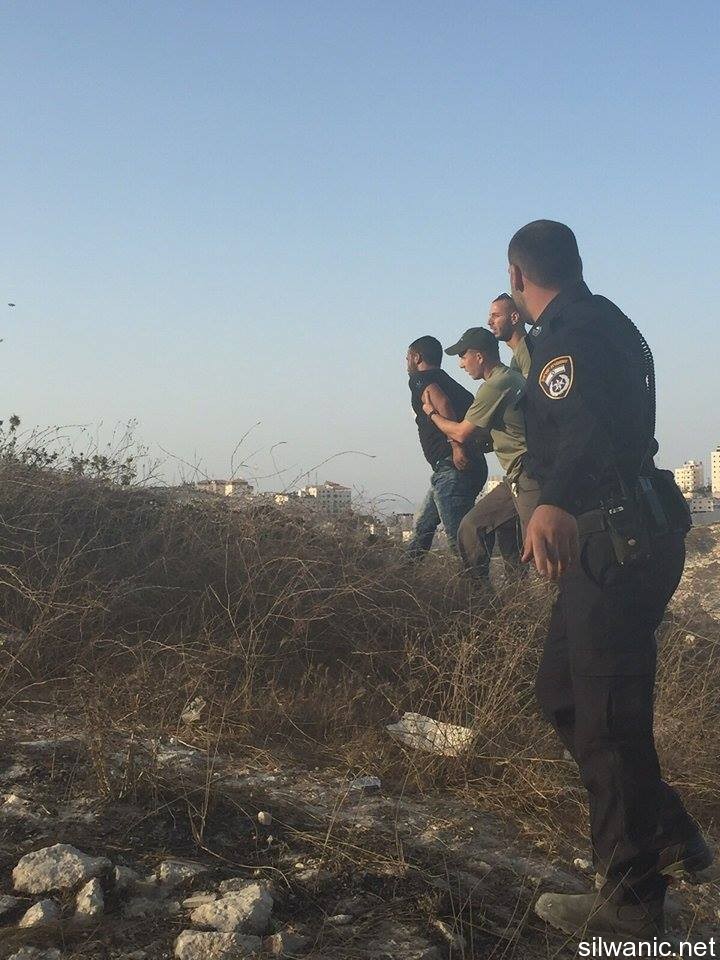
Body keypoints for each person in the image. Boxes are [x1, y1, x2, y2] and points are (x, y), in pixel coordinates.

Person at [507, 220, 714, 941]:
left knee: (606, 718)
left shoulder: (570, 337)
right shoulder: (605, 321)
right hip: (623, 534)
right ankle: (668, 834)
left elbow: (586, 425)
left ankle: (630, 903)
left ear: (517, 276)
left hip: (613, 540)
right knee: (564, 694)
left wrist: (556, 501)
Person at [421, 327, 541, 581]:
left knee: (541, 551)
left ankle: (552, 600)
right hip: (516, 478)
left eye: (463, 356)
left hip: (528, 475)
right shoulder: (507, 379)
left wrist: (431, 413)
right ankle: (481, 596)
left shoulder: (496, 385)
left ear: (479, 356)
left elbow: (461, 433)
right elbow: (489, 433)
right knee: (472, 527)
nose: (461, 364)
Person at [405, 336, 487, 559]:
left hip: (453, 467)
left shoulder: (420, 379)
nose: (407, 363)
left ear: (417, 357)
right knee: (423, 527)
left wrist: (456, 446)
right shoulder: (450, 383)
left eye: (408, 357)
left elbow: (442, 403)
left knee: (459, 541)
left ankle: (475, 582)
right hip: (463, 466)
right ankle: (404, 574)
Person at [487, 291, 532, 377]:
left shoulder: (527, 350)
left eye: (496, 316)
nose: (489, 322)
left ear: (514, 318)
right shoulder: (518, 355)